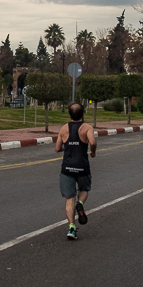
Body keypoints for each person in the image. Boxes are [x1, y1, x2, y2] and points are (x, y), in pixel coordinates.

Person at [55, 102, 97, 240]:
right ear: (83, 113)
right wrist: (93, 153)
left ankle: (71, 228)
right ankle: (80, 204)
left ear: (69, 114)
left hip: (67, 168)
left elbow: (57, 149)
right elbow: (92, 142)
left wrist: (66, 148)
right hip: (82, 166)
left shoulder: (63, 129)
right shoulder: (87, 128)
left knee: (69, 198)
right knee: (84, 189)